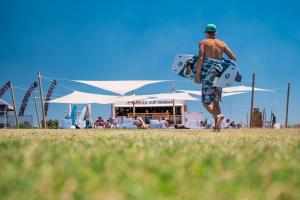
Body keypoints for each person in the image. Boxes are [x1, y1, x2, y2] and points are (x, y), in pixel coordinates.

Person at [194, 24, 237, 132]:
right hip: (220, 75)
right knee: (216, 102)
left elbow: (200, 58)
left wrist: (197, 76)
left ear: (206, 32)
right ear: (215, 33)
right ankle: (217, 127)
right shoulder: (222, 44)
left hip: (209, 75)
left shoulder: (203, 42)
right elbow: (233, 58)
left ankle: (218, 116)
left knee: (206, 103)